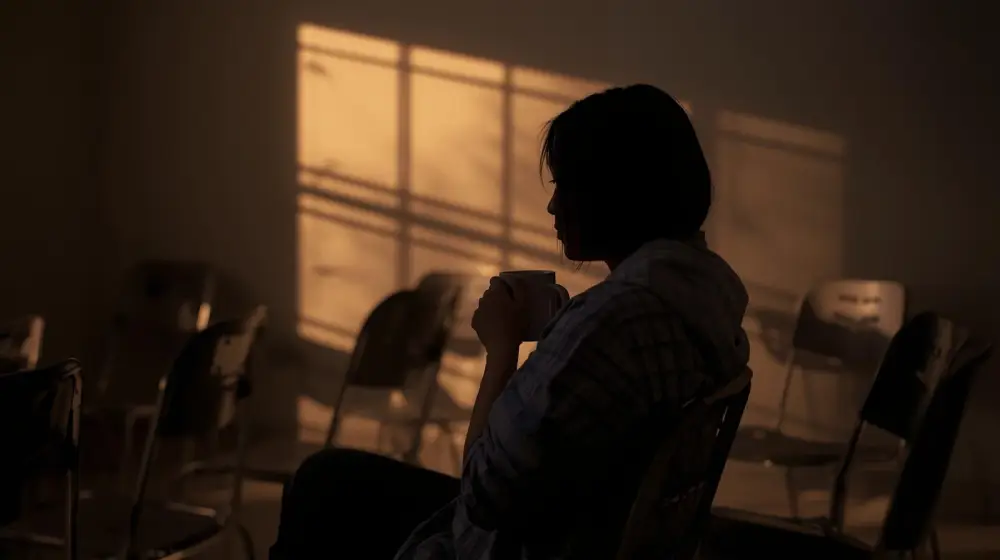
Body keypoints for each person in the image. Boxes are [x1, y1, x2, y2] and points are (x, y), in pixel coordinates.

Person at [269, 84, 750, 560]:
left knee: (322, 484)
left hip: (519, 544)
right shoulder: (704, 301)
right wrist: (561, 343)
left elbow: (483, 491)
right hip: (590, 531)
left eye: (564, 185)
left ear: (613, 191)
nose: (553, 206)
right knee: (332, 477)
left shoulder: (610, 321)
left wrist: (501, 350)